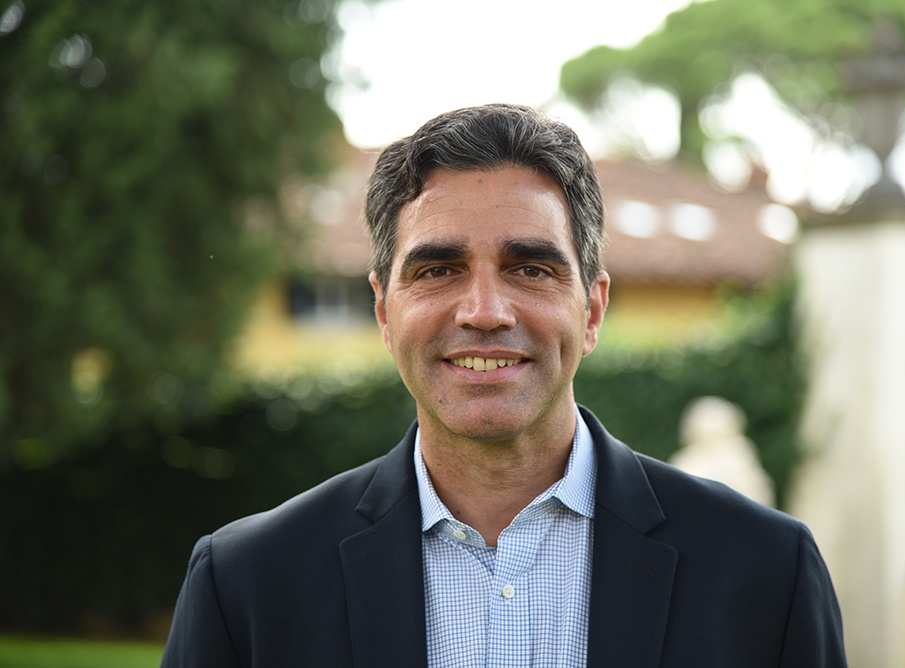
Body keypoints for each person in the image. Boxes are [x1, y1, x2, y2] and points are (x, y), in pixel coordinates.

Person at [161, 103, 846, 667]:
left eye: (531, 268)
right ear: (382, 309)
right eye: (437, 271)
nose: (484, 311)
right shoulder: (247, 585)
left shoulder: (764, 573)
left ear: (594, 308)